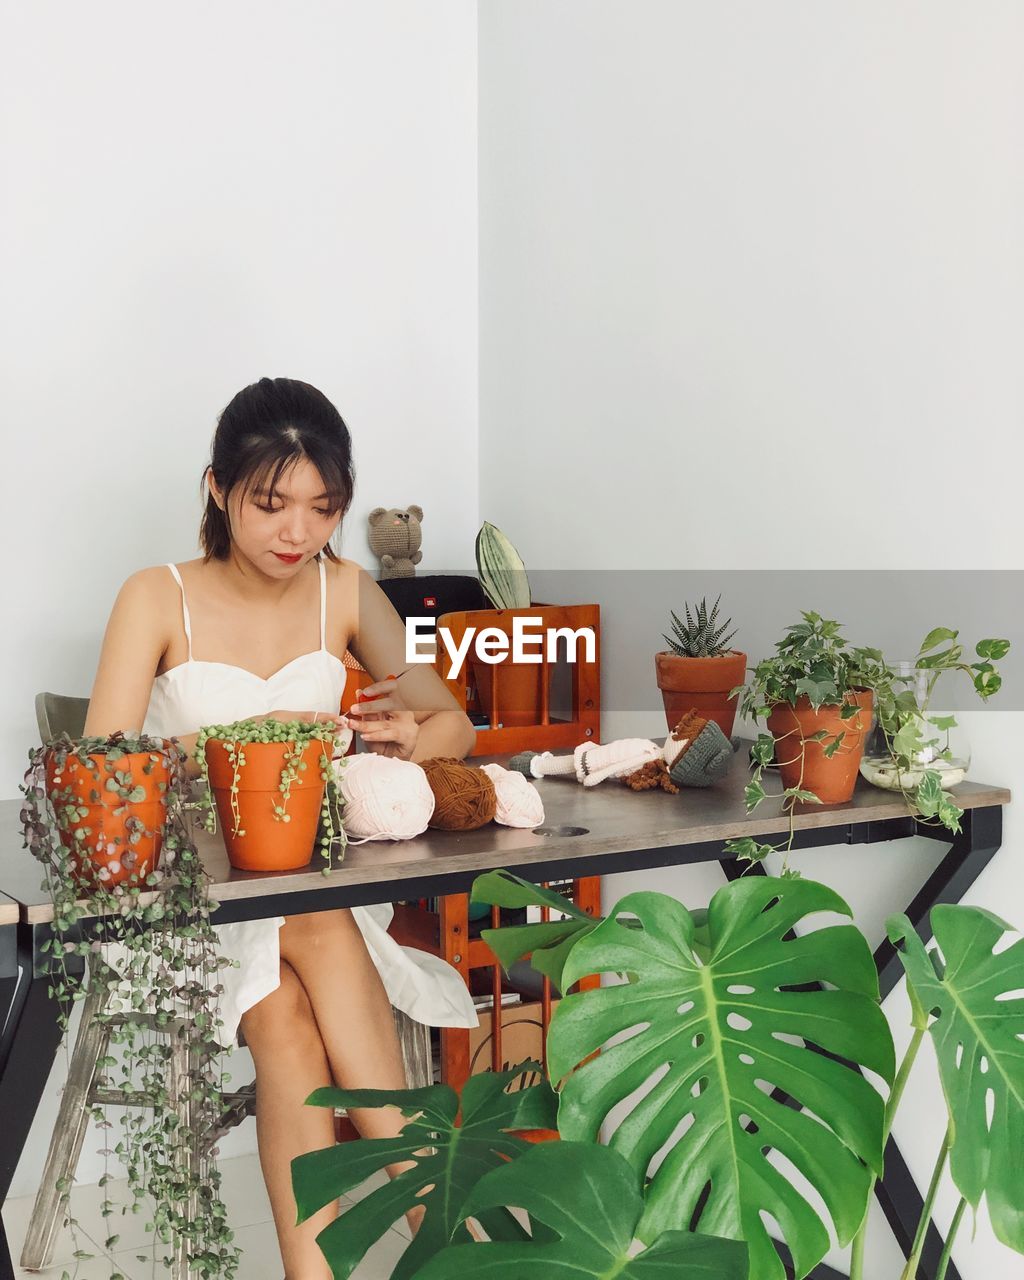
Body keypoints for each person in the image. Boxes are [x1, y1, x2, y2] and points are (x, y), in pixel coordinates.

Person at [84, 376, 479, 1279]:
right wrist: (204, 753)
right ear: (218, 488)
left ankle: (316, 1273)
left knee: (290, 1007)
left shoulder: (342, 592)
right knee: (306, 927)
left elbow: (452, 721)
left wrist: (408, 735)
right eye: (270, 504)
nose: (296, 533)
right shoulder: (157, 596)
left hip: (299, 887)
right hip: (186, 901)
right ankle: (435, 1206)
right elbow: (101, 773)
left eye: (321, 507)